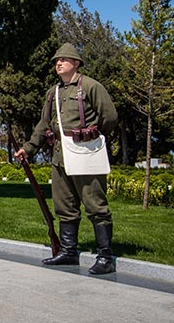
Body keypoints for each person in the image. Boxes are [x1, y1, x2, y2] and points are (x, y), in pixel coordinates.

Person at [15, 43, 119, 275]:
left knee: (95, 204)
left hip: (85, 154)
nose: (58, 63)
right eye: (56, 61)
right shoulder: (54, 92)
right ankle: (69, 251)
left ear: (76, 63)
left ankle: (105, 255)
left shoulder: (91, 86)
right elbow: (44, 124)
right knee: (64, 205)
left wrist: (92, 136)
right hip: (61, 157)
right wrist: (29, 148)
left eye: (63, 59)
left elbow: (110, 116)